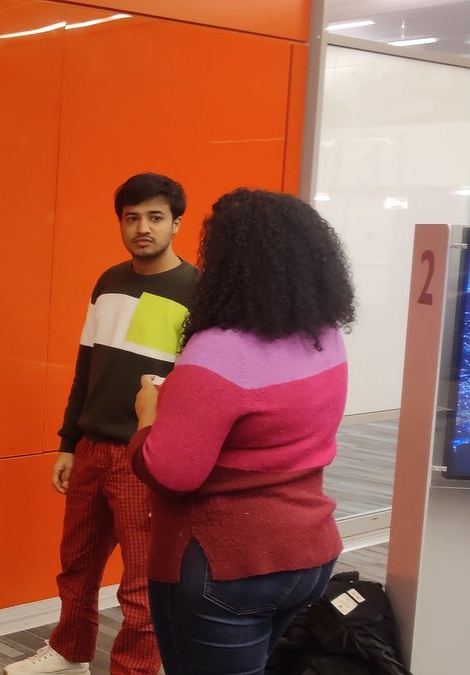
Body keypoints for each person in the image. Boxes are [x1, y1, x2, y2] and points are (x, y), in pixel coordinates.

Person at [130, 188, 353, 674]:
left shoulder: (219, 351)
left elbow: (171, 472)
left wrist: (150, 413)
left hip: (226, 566)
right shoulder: (325, 336)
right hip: (309, 554)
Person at [8, 173, 195, 675]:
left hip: (144, 455)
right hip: (91, 448)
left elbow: (195, 390)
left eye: (155, 217)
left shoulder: (195, 291)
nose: (142, 228)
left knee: (141, 585)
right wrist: (69, 442)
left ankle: (133, 670)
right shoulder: (108, 281)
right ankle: (71, 652)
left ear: (177, 223)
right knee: (77, 567)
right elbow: (86, 367)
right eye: (132, 217)